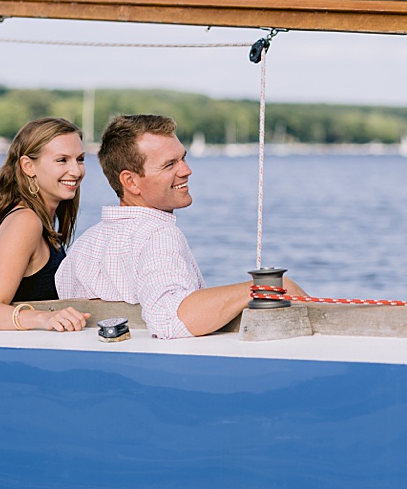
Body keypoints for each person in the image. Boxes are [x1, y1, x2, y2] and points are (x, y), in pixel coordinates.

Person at [57, 114, 305, 337]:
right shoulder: (158, 234)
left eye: (183, 158)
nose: (187, 170)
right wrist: (266, 286)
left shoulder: (85, 244)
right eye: (169, 164)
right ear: (131, 182)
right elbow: (168, 319)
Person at [0, 117, 92, 332]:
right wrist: (44, 319)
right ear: (28, 166)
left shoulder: (43, 219)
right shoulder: (26, 221)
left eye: (80, 159)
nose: (76, 171)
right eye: (62, 160)